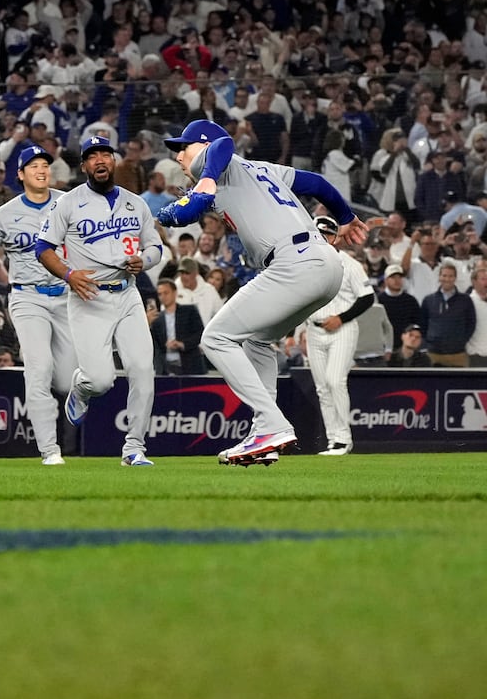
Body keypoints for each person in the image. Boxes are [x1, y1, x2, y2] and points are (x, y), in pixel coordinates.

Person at [156, 119, 368, 466]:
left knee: (215, 339)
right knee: (255, 340)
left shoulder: (217, 161)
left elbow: (223, 146)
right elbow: (316, 183)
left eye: (184, 146)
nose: (179, 156)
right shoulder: (261, 169)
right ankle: (264, 434)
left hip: (293, 262)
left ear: (204, 147)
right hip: (324, 264)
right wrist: (344, 216)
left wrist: (205, 178)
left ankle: (271, 424)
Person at [36, 136, 162, 467]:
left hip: (127, 293)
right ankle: (81, 389)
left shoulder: (136, 203)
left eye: (106, 153)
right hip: (87, 296)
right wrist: (67, 275)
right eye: (93, 156)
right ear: (84, 166)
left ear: (114, 161)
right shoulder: (67, 203)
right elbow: (43, 248)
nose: (100, 159)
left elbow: (155, 248)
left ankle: (134, 447)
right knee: (100, 379)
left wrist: (144, 262)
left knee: (143, 369)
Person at [0, 143, 74, 465]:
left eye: (45, 164)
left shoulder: (70, 203)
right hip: (28, 297)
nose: (42, 170)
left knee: (71, 378)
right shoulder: (5, 214)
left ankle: (76, 395)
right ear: (20, 174)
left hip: (68, 296)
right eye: (34, 166)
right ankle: (50, 451)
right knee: (38, 369)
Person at [304, 215, 375, 456]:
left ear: (336, 238)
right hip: (313, 329)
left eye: (327, 234)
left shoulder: (349, 264)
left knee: (335, 381)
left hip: (341, 328)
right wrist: (297, 330)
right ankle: (333, 439)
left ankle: (344, 439)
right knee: (323, 387)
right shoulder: (304, 264)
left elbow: (368, 297)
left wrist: (341, 318)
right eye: (319, 234)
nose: (323, 238)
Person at [420, 262, 474, 367]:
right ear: (439, 277)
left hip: (458, 354)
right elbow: (423, 323)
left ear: (455, 278)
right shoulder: (429, 300)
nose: (447, 279)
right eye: (444, 275)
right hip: (433, 353)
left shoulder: (465, 300)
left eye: (450, 276)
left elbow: (471, 323)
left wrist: (460, 340)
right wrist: (431, 340)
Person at [148, 277, 204, 375]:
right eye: (160, 294)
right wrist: (148, 324)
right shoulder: (157, 319)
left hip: (189, 365)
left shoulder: (189, 311)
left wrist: (181, 344)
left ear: (174, 293)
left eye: (166, 293)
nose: (163, 297)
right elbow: (154, 344)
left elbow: (200, 333)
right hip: (165, 368)